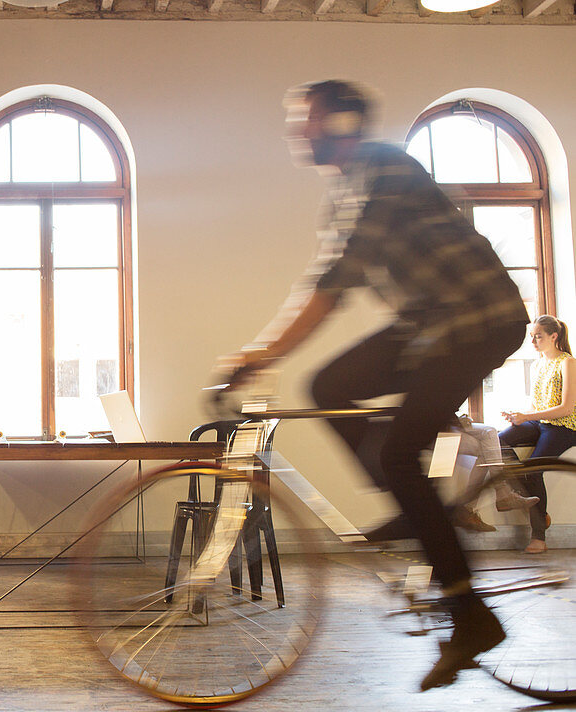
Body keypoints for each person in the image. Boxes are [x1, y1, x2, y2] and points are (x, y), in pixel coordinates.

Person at [219, 80, 529, 691]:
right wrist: (265, 352)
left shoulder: (383, 169)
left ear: (341, 122)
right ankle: (413, 505)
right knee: (330, 381)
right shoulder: (346, 190)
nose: (297, 131)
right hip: (428, 325)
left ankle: (470, 613)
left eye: (306, 119)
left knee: (396, 452)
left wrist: (257, 354)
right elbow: (324, 277)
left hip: (478, 319)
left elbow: (333, 287)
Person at [498, 315, 576, 554]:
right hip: (540, 423)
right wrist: (518, 416)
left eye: (538, 336)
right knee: (497, 441)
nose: (533, 340)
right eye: (531, 336)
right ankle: (530, 502)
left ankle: (539, 536)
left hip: (564, 426)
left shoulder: (568, 362)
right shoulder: (536, 364)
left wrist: (526, 418)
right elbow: (537, 406)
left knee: (533, 468)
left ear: (554, 336)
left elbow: (566, 408)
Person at [448, 416, 537, 533]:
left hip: (449, 424)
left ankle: (498, 496)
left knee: (489, 434)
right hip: (433, 431)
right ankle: (501, 496)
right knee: (487, 449)